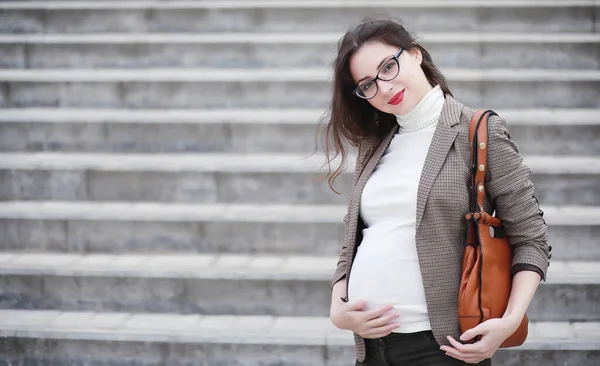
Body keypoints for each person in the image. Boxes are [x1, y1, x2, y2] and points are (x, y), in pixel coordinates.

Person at [320, 19, 550, 365]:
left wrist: (510, 321)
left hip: (442, 348)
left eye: (388, 67)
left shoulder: (480, 132)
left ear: (415, 55)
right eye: (367, 84)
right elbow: (355, 239)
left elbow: (531, 238)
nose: (383, 87)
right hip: (371, 350)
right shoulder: (375, 144)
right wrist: (338, 305)